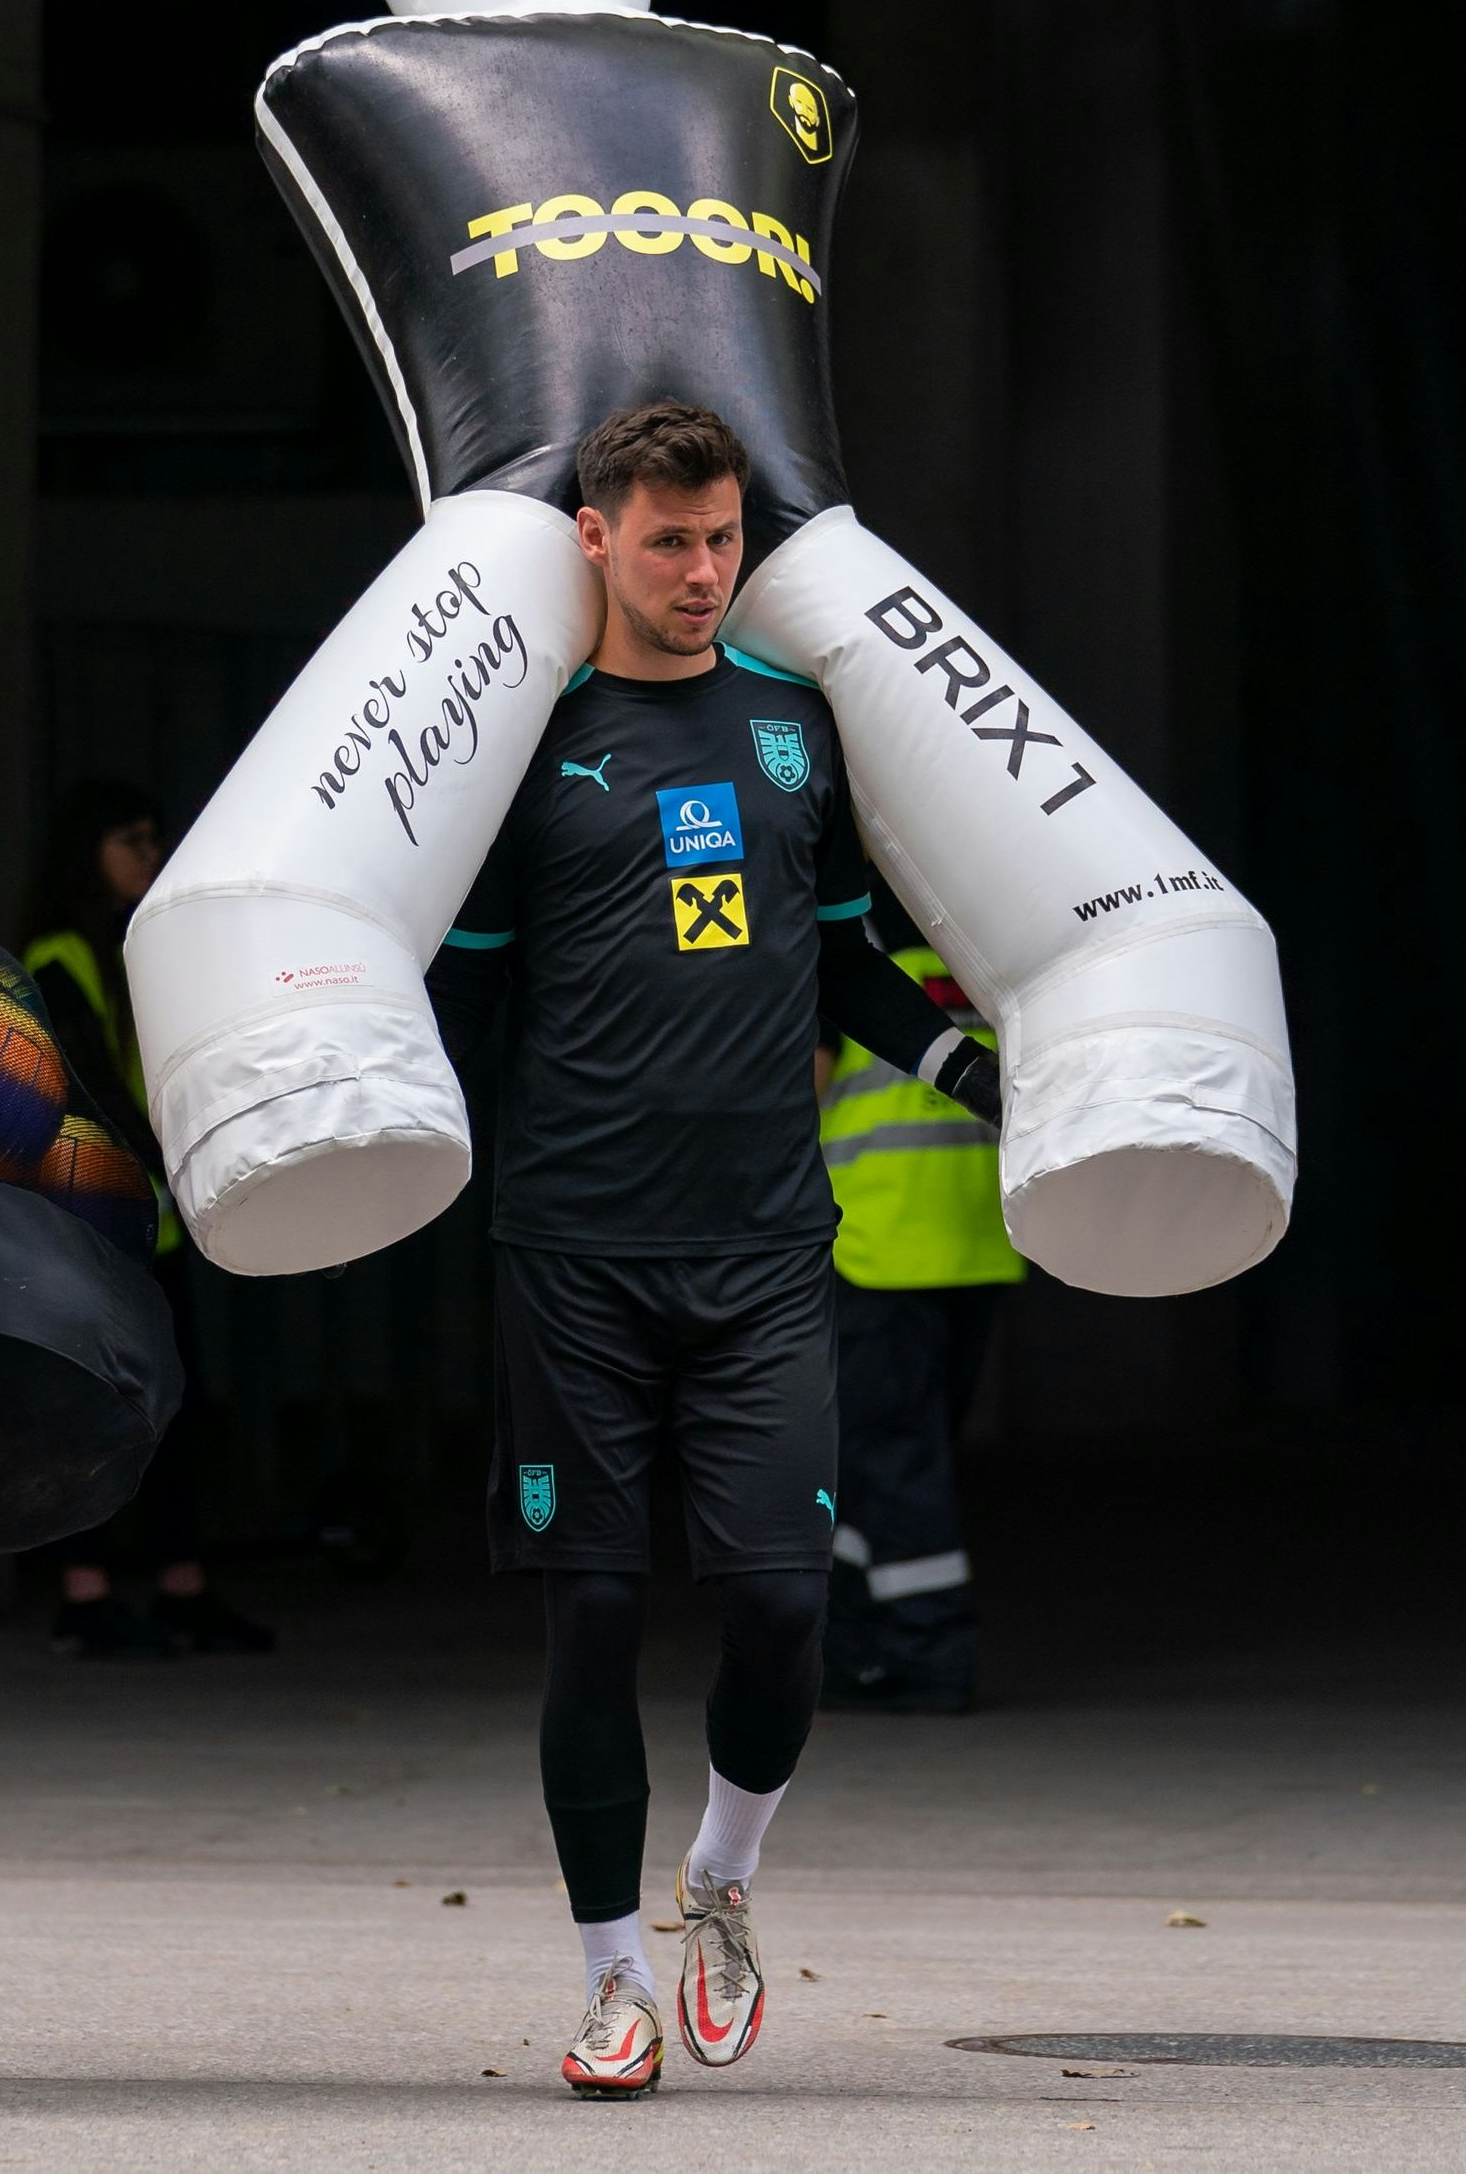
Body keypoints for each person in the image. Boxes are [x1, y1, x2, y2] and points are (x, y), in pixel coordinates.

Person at [428, 401, 999, 2101]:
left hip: (763, 1254)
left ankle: (724, 1886)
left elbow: (842, 959)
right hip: (575, 1254)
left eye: (723, 537)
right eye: (669, 539)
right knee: (591, 1611)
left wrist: (971, 1067)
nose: (702, 570)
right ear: (592, 538)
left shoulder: (793, 727)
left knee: (774, 1603)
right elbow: (460, 996)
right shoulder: (529, 738)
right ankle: (612, 1984)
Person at [21, 781, 275, 1661]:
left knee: (177, 1410)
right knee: (95, 1408)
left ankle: (178, 1586)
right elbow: (86, 1088)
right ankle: (86, 1593)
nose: (150, 856)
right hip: (91, 1224)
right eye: (130, 839)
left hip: (152, 1226)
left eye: (155, 839)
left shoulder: (146, 943)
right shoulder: (60, 956)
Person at [817, 894, 1021, 1714]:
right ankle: (850, 1648)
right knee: (888, 1457)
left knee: (892, 1460)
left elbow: (809, 1072)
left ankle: (931, 1652)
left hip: (877, 1240)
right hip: (978, 1239)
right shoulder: (985, 930)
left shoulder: (843, 938)